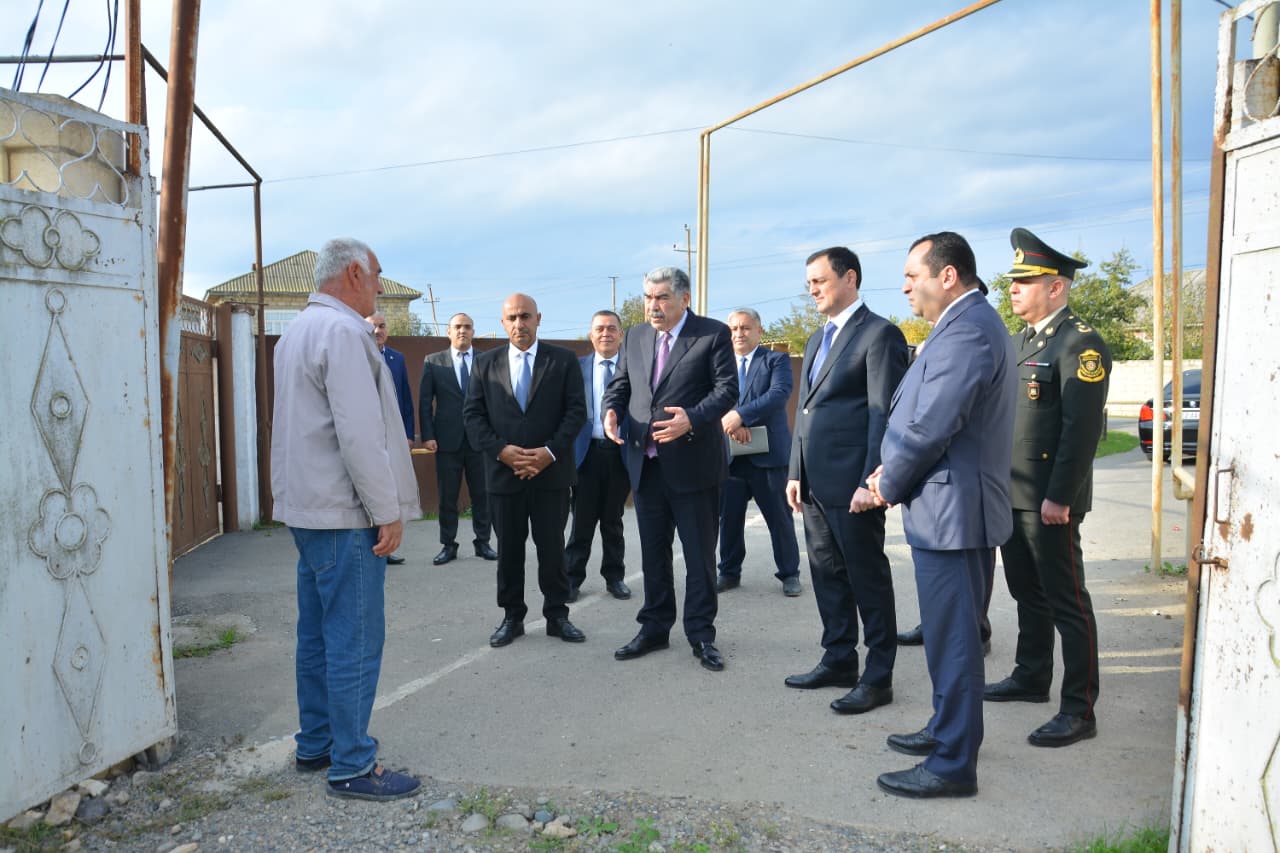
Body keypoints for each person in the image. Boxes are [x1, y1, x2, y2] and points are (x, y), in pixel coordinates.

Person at [866, 231, 1015, 799]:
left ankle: (953, 764)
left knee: (954, 642)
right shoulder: (961, 324)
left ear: (947, 275)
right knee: (948, 636)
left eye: (913, 275)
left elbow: (933, 425)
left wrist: (886, 485)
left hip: (954, 514)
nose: (905, 287)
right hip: (949, 508)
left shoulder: (968, 330)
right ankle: (945, 728)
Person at [271, 237, 421, 801]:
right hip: (344, 512)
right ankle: (353, 763)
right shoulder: (343, 332)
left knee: (316, 634)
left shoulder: (298, 331)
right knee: (354, 638)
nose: (380, 285)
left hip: (309, 508)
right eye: (377, 274)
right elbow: (360, 435)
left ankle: (317, 743)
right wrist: (387, 511)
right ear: (355, 273)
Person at [983, 228, 1110, 748]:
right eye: (1012, 281)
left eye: (1025, 281)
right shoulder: (1022, 340)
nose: (1013, 289)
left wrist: (1061, 495)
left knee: (1067, 602)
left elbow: (1081, 430)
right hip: (1014, 493)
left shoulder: (1081, 343)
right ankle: (1031, 675)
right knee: (1026, 592)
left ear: (1056, 287)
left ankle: (1079, 709)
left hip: (1050, 501)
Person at [784, 247, 908, 715]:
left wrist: (871, 480)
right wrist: (795, 470)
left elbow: (883, 414)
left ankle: (878, 677)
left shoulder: (879, 334)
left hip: (854, 485)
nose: (812, 290)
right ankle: (838, 658)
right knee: (826, 574)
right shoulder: (818, 338)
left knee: (867, 578)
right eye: (809, 284)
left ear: (850, 278)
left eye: (820, 281)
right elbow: (806, 411)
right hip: (814, 484)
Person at [602, 266, 737, 672]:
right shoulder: (636, 336)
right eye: (648, 297)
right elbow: (622, 383)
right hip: (646, 466)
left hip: (694, 467)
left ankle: (701, 634)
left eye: (661, 297)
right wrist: (611, 410)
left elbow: (727, 390)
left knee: (699, 557)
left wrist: (691, 418)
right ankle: (654, 628)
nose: (653, 306)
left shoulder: (712, 334)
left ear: (684, 299)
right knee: (653, 555)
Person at [462, 293, 588, 648]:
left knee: (552, 549)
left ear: (538, 318)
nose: (520, 324)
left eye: (526, 316)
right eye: (513, 318)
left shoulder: (562, 360)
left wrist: (549, 452)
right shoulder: (485, 364)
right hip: (504, 475)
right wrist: (501, 452)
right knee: (509, 552)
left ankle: (557, 616)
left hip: (551, 474)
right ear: (503, 323)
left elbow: (576, 412)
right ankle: (512, 617)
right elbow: (473, 416)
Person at [716, 307, 802, 597]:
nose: (739, 333)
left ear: (759, 331)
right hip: (730, 455)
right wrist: (732, 424)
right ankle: (729, 572)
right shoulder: (720, 364)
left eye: (745, 327)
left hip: (768, 457)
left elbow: (778, 395)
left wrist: (741, 416)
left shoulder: (775, 360)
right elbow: (712, 397)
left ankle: (790, 573)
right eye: (734, 329)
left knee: (779, 519)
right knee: (729, 519)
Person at [564, 310, 632, 602]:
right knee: (581, 522)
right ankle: (571, 579)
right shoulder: (575, 368)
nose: (606, 333)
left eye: (611, 328)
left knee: (613, 521)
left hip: (620, 454)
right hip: (585, 455)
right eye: (600, 329)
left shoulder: (633, 369)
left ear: (621, 334)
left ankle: (615, 577)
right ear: (591, 335)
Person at [419, 313, 498, 565]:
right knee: (447, 496)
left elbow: (496, 400)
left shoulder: (486, 360)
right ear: (449, 332)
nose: (462, 330)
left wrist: (493, 436)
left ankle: (483, 543)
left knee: (483, 494)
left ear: (473, 331)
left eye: (467, 327)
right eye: (457, 327)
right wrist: (428, 436)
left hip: (479, 441)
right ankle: (448, 545)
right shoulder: (433, 362)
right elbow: (425, 402)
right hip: (446, 441)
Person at [366, 310, 413, 565]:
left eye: (382, 326)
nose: (378, 331)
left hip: (393, 437)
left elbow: (405, 398)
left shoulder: (397, 358)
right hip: (368, 436)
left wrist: (408, 435)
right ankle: (371, 546)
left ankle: (387, 546)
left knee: (391, 491)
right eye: (373, 326)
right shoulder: (358, 356)